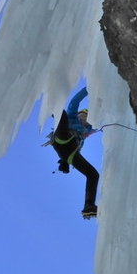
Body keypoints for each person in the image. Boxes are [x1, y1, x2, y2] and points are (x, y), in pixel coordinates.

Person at [51, 87, 99, 218]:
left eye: (87, 117)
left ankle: (88, 206)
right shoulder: (73, 117)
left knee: (93, 174)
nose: (84, 117)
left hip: (71, 152)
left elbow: (99, 124)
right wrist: (90, 88)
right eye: (83, 114)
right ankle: (51, 104)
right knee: (62, 114)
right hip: (63, 138)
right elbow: (75, 101)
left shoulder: (86, 132)